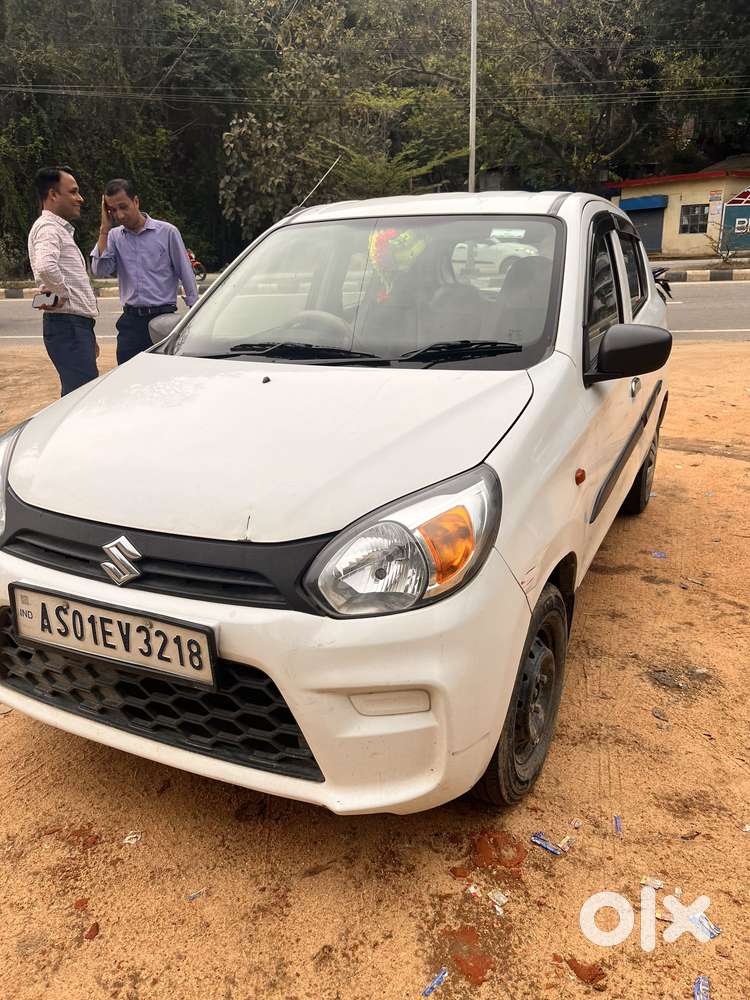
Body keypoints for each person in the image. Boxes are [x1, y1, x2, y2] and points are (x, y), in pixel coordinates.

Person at [90, 178, 199, 364]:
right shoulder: (114, 237)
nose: (120, 215)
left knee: (164, 379)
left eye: (123, 207)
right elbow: (99, 270)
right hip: (130, 324)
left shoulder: (167, 232)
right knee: (127, 381)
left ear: (136, 201)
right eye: (113, 210)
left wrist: (195, 313)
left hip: (163, 321)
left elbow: (185, 272)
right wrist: (104, 229)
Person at [27, 166, 99, 396]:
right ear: (53, 195)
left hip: (73, 326)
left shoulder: (57, 229)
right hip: (68, 326)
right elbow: (46, 266)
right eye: (73, 192)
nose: (80, 198)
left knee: (78, 394)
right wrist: (65, 295)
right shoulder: (49, 228)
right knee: (82, 396)